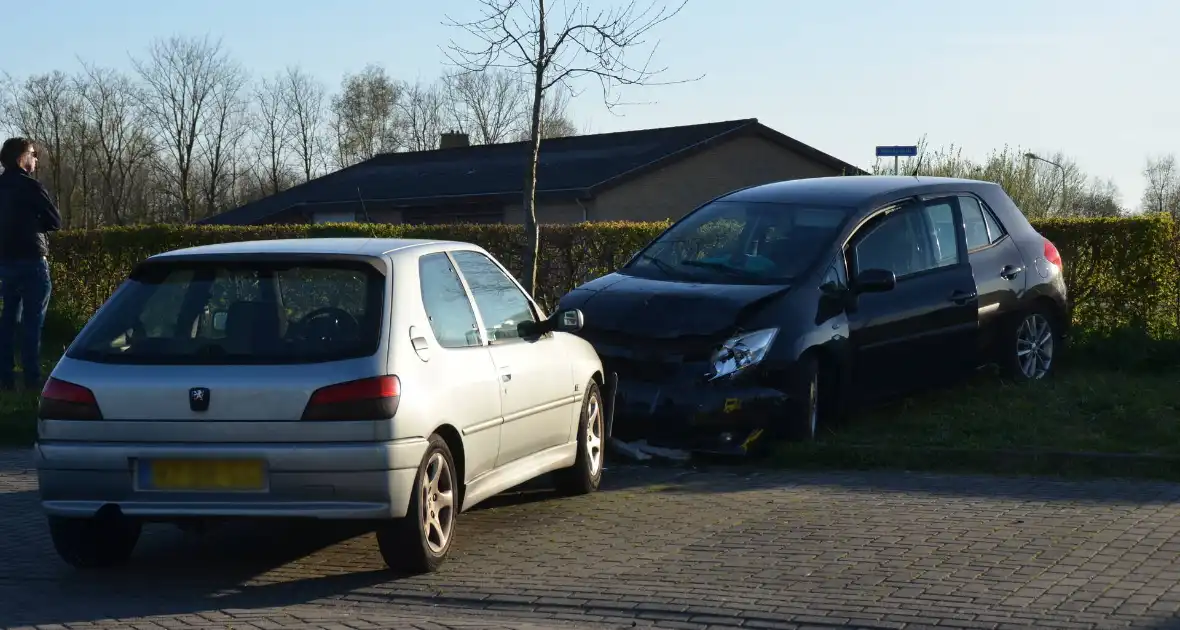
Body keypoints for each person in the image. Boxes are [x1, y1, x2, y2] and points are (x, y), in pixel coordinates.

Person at [0, 137, 62, 390]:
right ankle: (32, 378)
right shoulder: (31, 187)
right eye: (33, 154)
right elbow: (55, 221)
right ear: (21, 159)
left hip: (5, 261)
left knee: (7, 321)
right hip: (32, 259)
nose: (36, 158)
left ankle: (5, 378)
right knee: (32, 322)